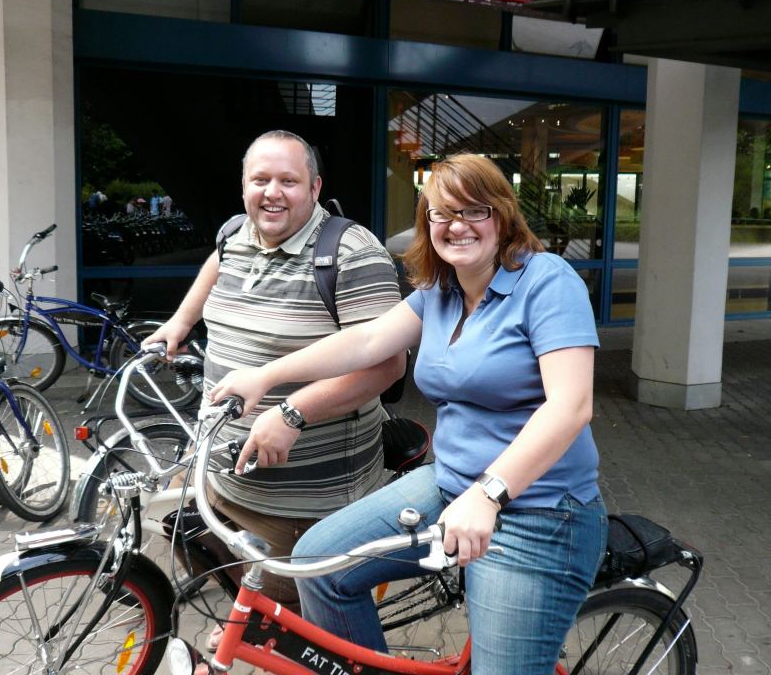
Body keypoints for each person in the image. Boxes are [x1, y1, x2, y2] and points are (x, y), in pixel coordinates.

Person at [209, 153, 607, 674]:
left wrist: (488, 494)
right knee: (317, 563)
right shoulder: (442, 290)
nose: (456, 225)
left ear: (503, 215)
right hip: (449, 487)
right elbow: (368, 340)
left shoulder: (547, 282)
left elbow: (571, 406)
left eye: (475, 211)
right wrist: (269, 376)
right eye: (441, 214)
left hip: (539, 513)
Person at [144, 129, 404, 617]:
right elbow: (216, 265)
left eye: (289, 180)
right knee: (243, 593)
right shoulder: (235, 232)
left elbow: (387, 365)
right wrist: (180, 322)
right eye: (260, 179)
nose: (272, 192)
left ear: (315, 188)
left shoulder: (352, 253)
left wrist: (293, 412)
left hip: (307, 500)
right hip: (227, 477)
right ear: (244, 186)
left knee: (300, 625)